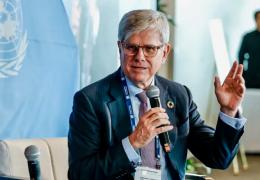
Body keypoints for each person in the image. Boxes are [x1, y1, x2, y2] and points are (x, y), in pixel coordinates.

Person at [68, 9, 246, 180]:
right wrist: (132, 143)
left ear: (164, 52)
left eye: (150, 49)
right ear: (120, 48)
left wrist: (229, 111)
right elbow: (80, 174)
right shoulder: (90, 100)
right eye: (131, 47)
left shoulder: (179, 95)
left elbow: (218, 158)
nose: (140, 57)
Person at [238, 10, 260, 88]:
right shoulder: (248, 37)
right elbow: (241, 56)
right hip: (251, 78)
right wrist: (243, 74)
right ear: (255, 20)